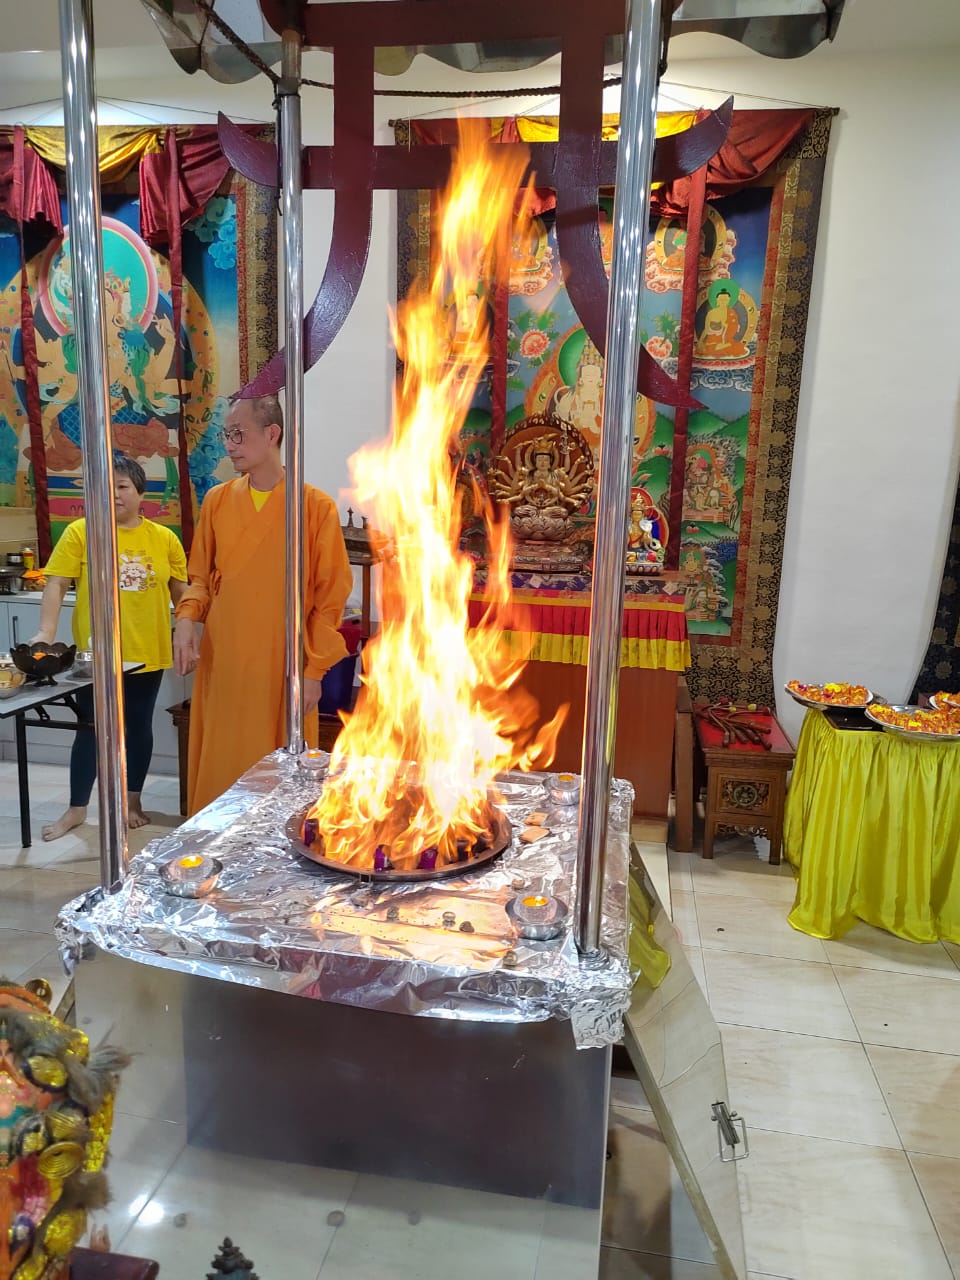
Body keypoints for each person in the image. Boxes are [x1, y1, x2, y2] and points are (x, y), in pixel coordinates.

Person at [173, 394, 352, 814]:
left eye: (238, 434)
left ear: (272, 434)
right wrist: (185, 619)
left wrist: (313, 671)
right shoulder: (217, 500)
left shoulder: (314, 507)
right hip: (225, 661)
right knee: (222, 769)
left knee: (277, 778)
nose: (229, 445)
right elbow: (200, 579)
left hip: (282, 664)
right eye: (226, 435)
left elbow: (329, 600)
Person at [31, 455, 188, 840]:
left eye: (122, 486)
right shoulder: (81, 532)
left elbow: (181, 592)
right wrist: (45, 632)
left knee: (138, 727)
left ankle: (131, 801)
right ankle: (76, 809)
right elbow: (57, 583)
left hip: (147, 651)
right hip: (96, 656)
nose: (114, 494)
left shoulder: (164, 538)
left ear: (140, 493)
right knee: (91, 729)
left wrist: (193, 628)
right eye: (105, 486)